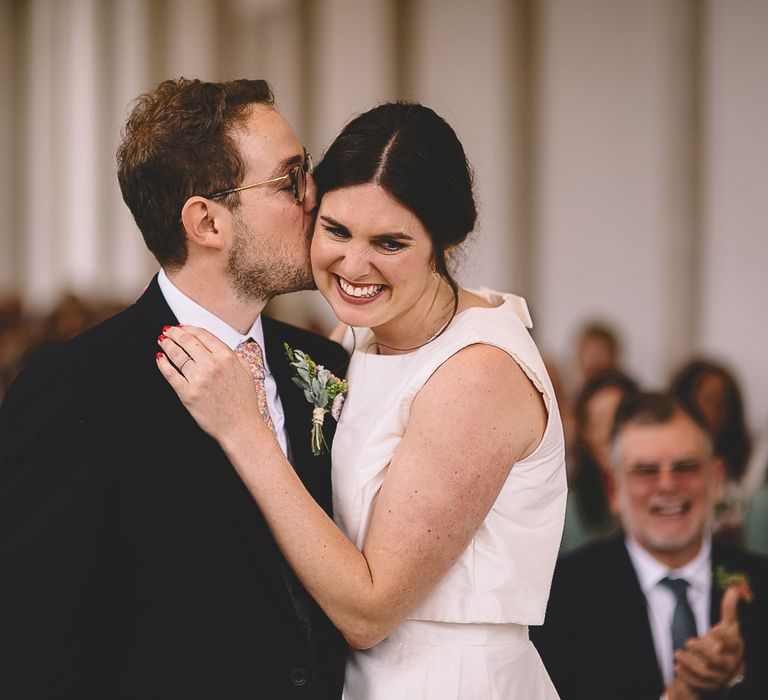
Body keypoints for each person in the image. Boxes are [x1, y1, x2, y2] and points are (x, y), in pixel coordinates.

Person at [157, 102, 567, 699]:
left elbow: (370, 611)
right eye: (336, 230)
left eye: (390, 242)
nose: (354, 265)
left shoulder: (477, 374)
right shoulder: (359, 334)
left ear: (445, 238)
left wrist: (244, 427)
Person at [0, 78, 347, 699]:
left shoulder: (324, 368)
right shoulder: (76, 392)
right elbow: (34, 647)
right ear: (207, 221)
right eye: (289, 179)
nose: (315, 199)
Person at [531, 393, 768, 699]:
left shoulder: (761, 583)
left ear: (716, 479)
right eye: (646, 471)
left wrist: (737, 674)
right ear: (614, 489)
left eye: (686, 467)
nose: (667, 485)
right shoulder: (558, 597)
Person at [671, 359, 753, 545]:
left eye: (723, 405)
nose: (715, 412)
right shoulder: (665, 463)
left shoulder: (740, 470)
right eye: (708, 400)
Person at [560, 370, 638, 553]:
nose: (609, 433)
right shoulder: (568, 514)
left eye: (618, 419)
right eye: (598, 423)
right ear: (585, 436)